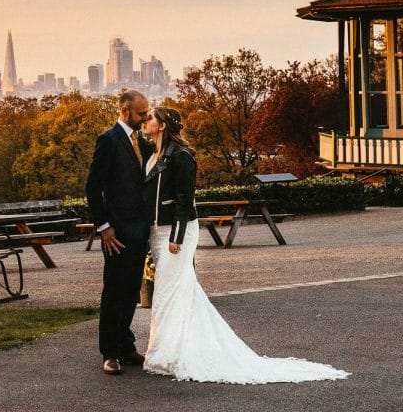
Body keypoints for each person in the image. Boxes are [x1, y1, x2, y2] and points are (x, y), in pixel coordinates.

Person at [140, 106, 349, 384]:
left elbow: (184, 199)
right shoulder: (152, 155)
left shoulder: (182, 156)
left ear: (163, 125)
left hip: (175, 233)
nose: (145, 122)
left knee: (169, 292)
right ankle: (168, 348)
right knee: (175, 292)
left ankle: (172, 351)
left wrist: (177, 236)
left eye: (150, 118)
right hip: (157, 232)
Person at [85, 88, 153, 375]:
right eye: (141, 113)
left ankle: (126, 346)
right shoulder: (109, 140)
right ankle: (109, 352)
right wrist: (104, 227)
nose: (145, 117)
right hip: (116, 232)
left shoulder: (141, 140)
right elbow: (92, 187)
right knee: (114, 292)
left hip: (138, 229)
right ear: (125, 111)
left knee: (130, 293)